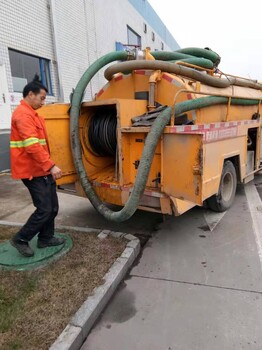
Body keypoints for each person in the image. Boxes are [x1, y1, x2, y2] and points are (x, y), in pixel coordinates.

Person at [10, 78, 64, 257]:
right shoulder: (23, 115)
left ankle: (45, 238)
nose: (43, 102)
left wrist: (48, 167)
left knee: (53, 207)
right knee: (44, 209)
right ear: (30, 94)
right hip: (32, 171)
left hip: (42, 169)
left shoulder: (34, 114)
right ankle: (21, 238)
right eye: (41, 98)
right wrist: (51, 165)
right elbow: (32, 146)